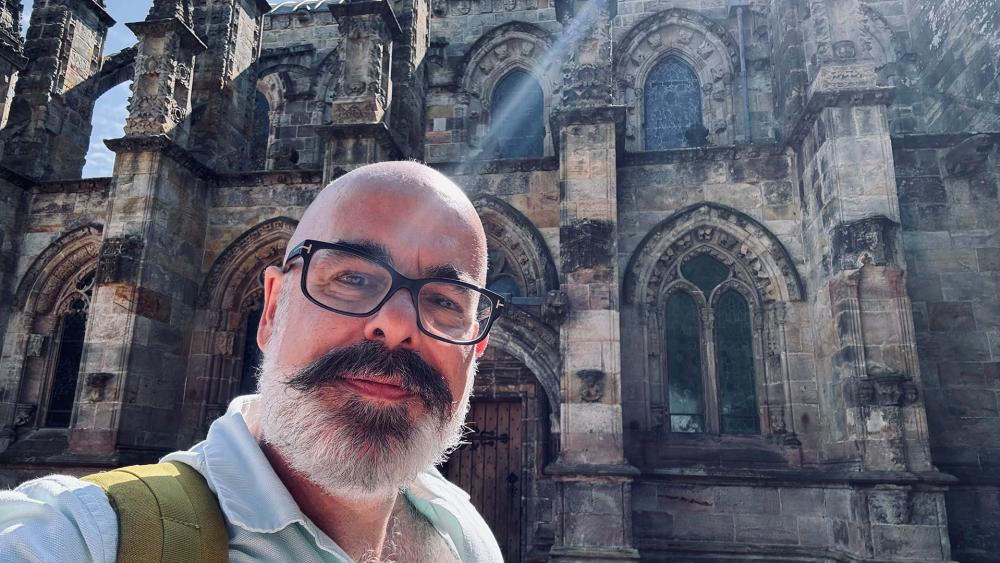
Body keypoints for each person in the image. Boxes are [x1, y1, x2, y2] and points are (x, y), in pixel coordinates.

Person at [0, 161, 506, 562]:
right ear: (270, 310)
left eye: (444, 300)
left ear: (475, 349)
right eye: (353, 278)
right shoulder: (89, 533)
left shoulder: (465, 531)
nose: (397, 324)